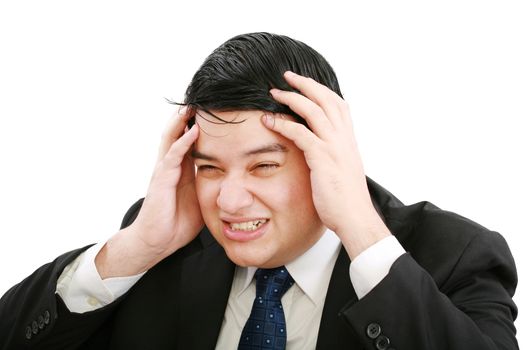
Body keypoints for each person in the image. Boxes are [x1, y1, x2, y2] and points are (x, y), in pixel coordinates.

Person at [0, 32, 518, 350]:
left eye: (264, 165)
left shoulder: (454, 254)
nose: (228, 201)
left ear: (326, 156)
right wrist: (137, 249)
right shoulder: (164, 244)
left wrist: (361, 231)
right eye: (209, 168)